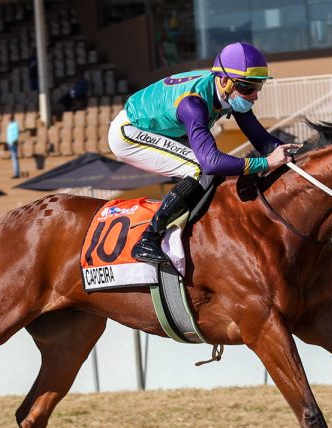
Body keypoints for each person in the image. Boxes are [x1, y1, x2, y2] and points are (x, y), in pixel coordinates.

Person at [107, 41, 298, 264]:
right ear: (225, 81)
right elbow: (212, 163)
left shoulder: (228, 91)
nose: (254, 96)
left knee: (209, 172)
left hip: (164, 128)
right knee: (198, 169)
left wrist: (299, 154)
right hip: (129, 131)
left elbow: (262, 140)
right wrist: (265, 163)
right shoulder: (193, 103)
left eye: (259, 86)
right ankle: (148, 238)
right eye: (248, 87)